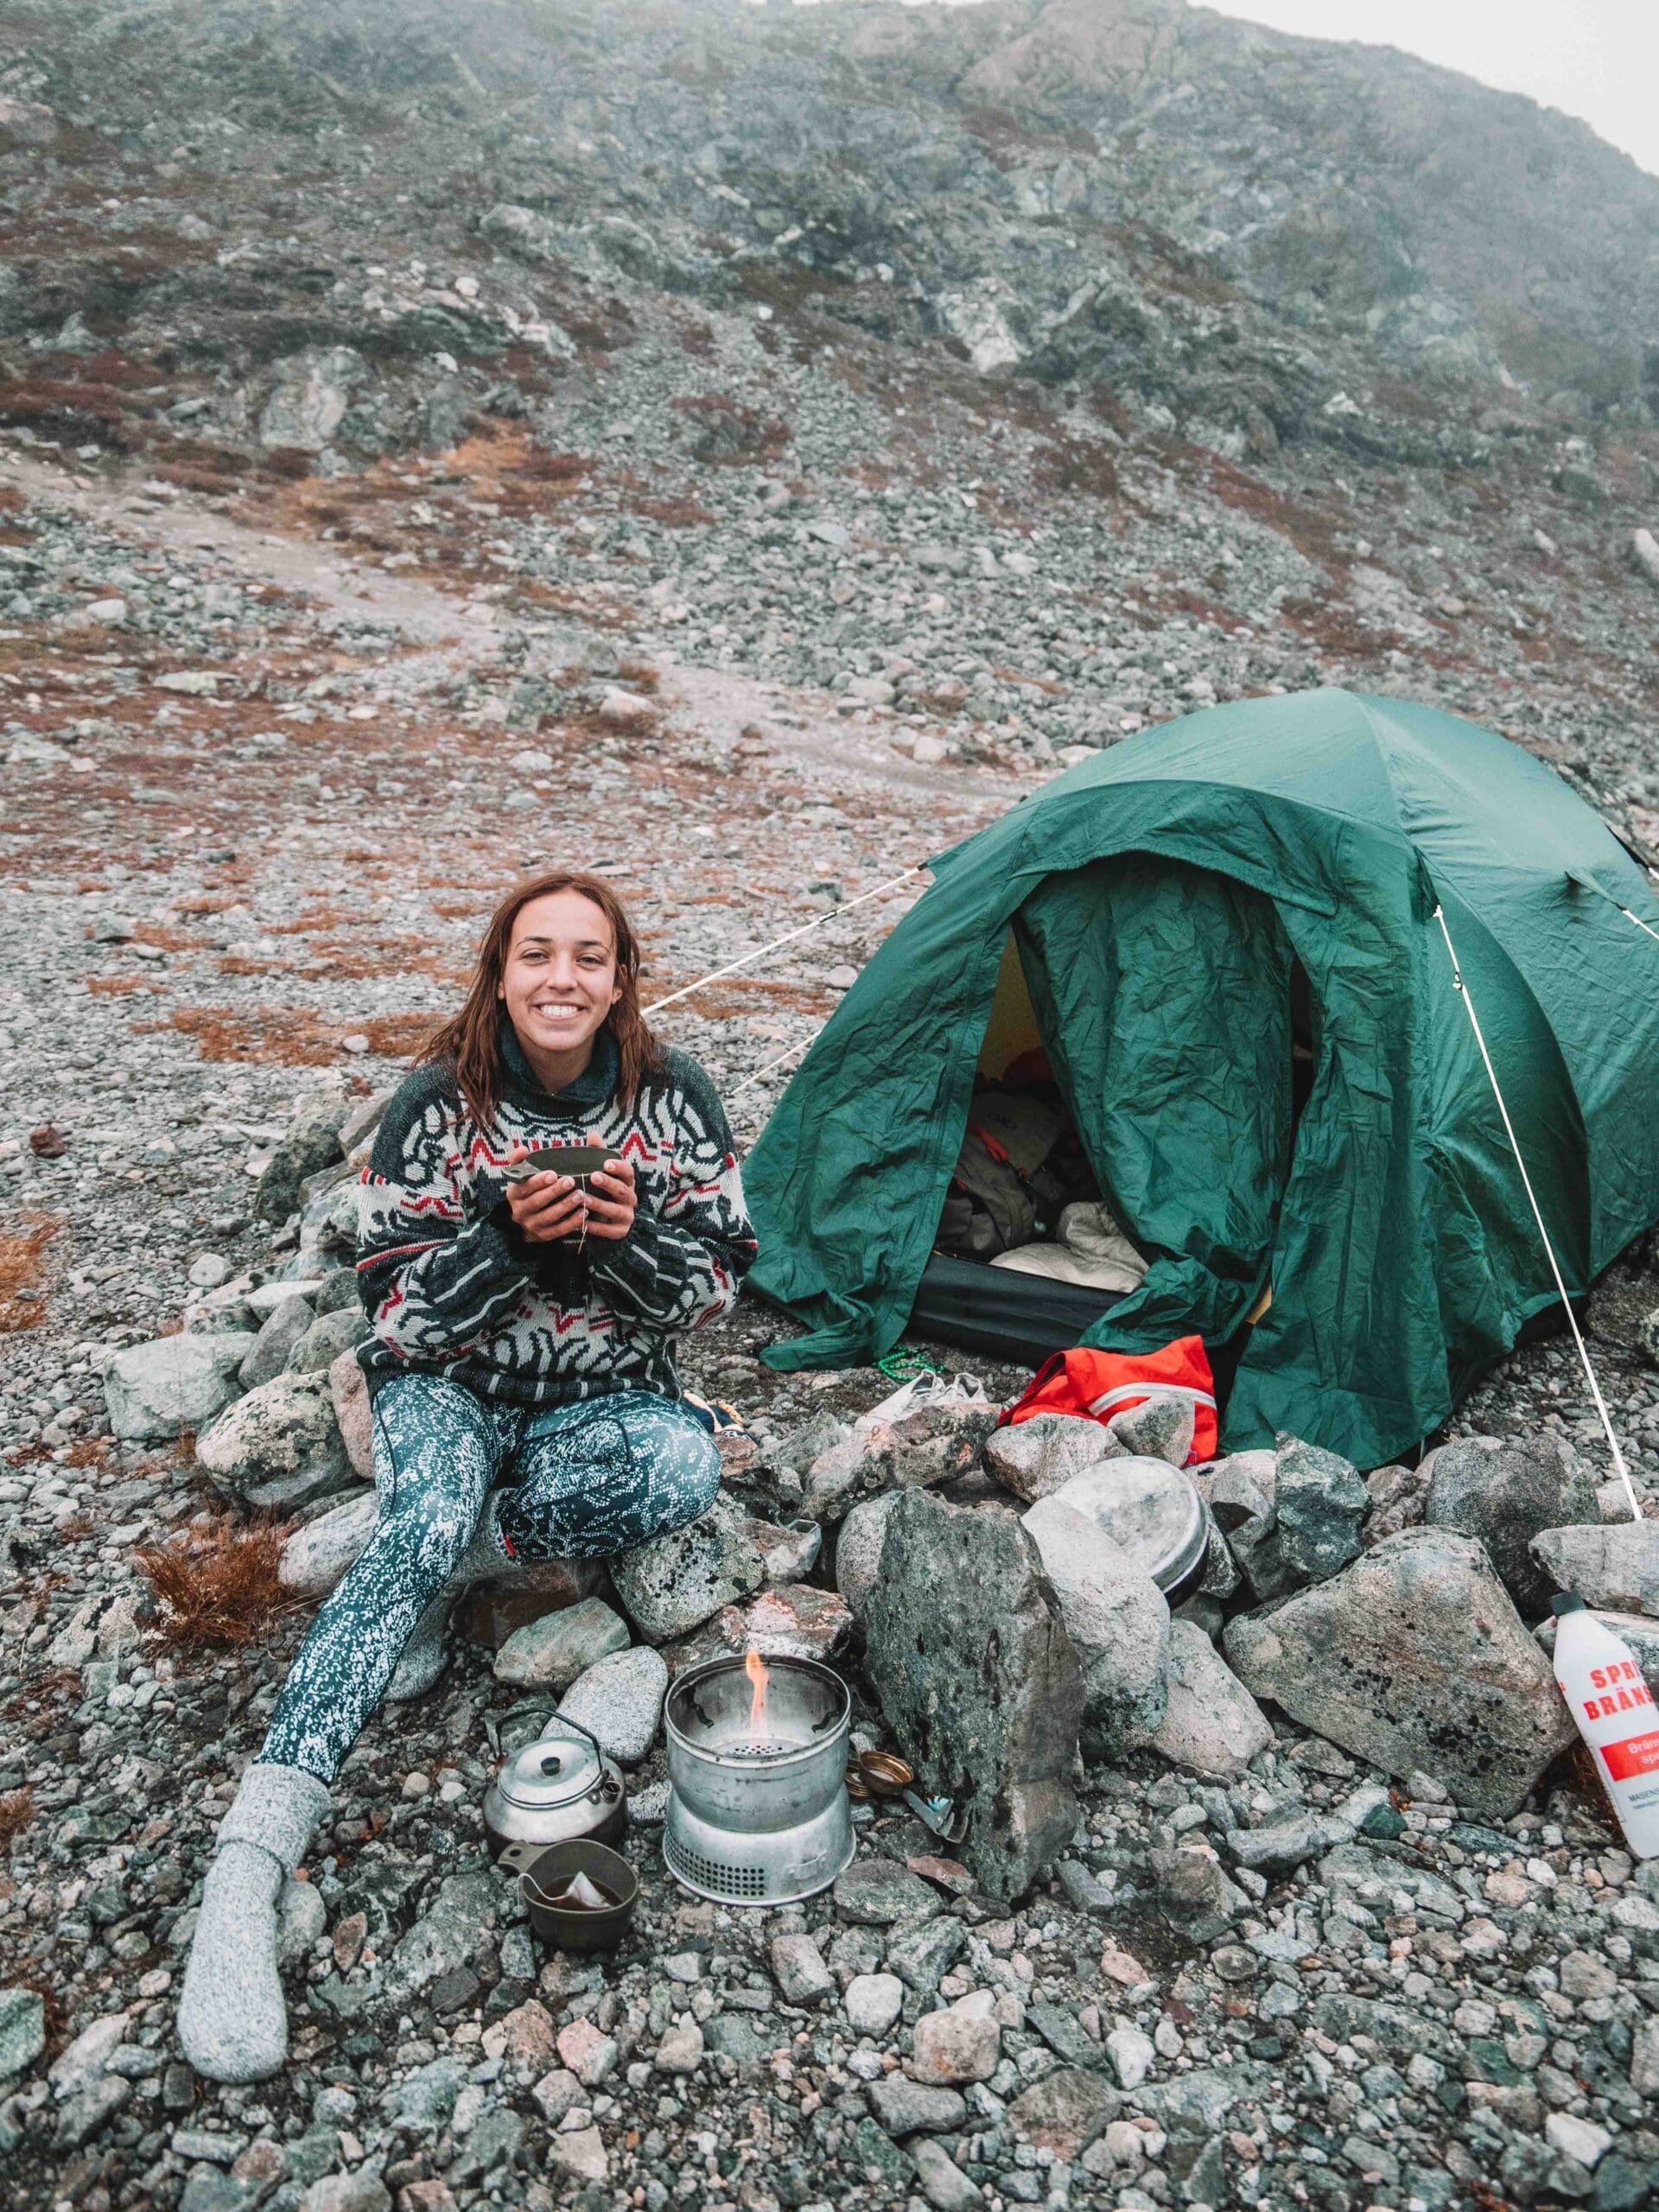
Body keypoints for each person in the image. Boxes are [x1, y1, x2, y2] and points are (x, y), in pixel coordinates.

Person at [178, 870, 757, 2082]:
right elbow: (391, 1309)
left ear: (620, 979)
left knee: (684, 1464)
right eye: (536, 954)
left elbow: (712, 1287)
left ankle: (419, 1543)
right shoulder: (440, 1104)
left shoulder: (678, 1100)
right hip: (450, 1391)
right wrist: (499, 1243)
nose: (562, 979)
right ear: (501, 971)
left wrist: (617, 1241)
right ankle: (249, 1866)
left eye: (588, 958)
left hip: (603, 1400)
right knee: (433, 1500)